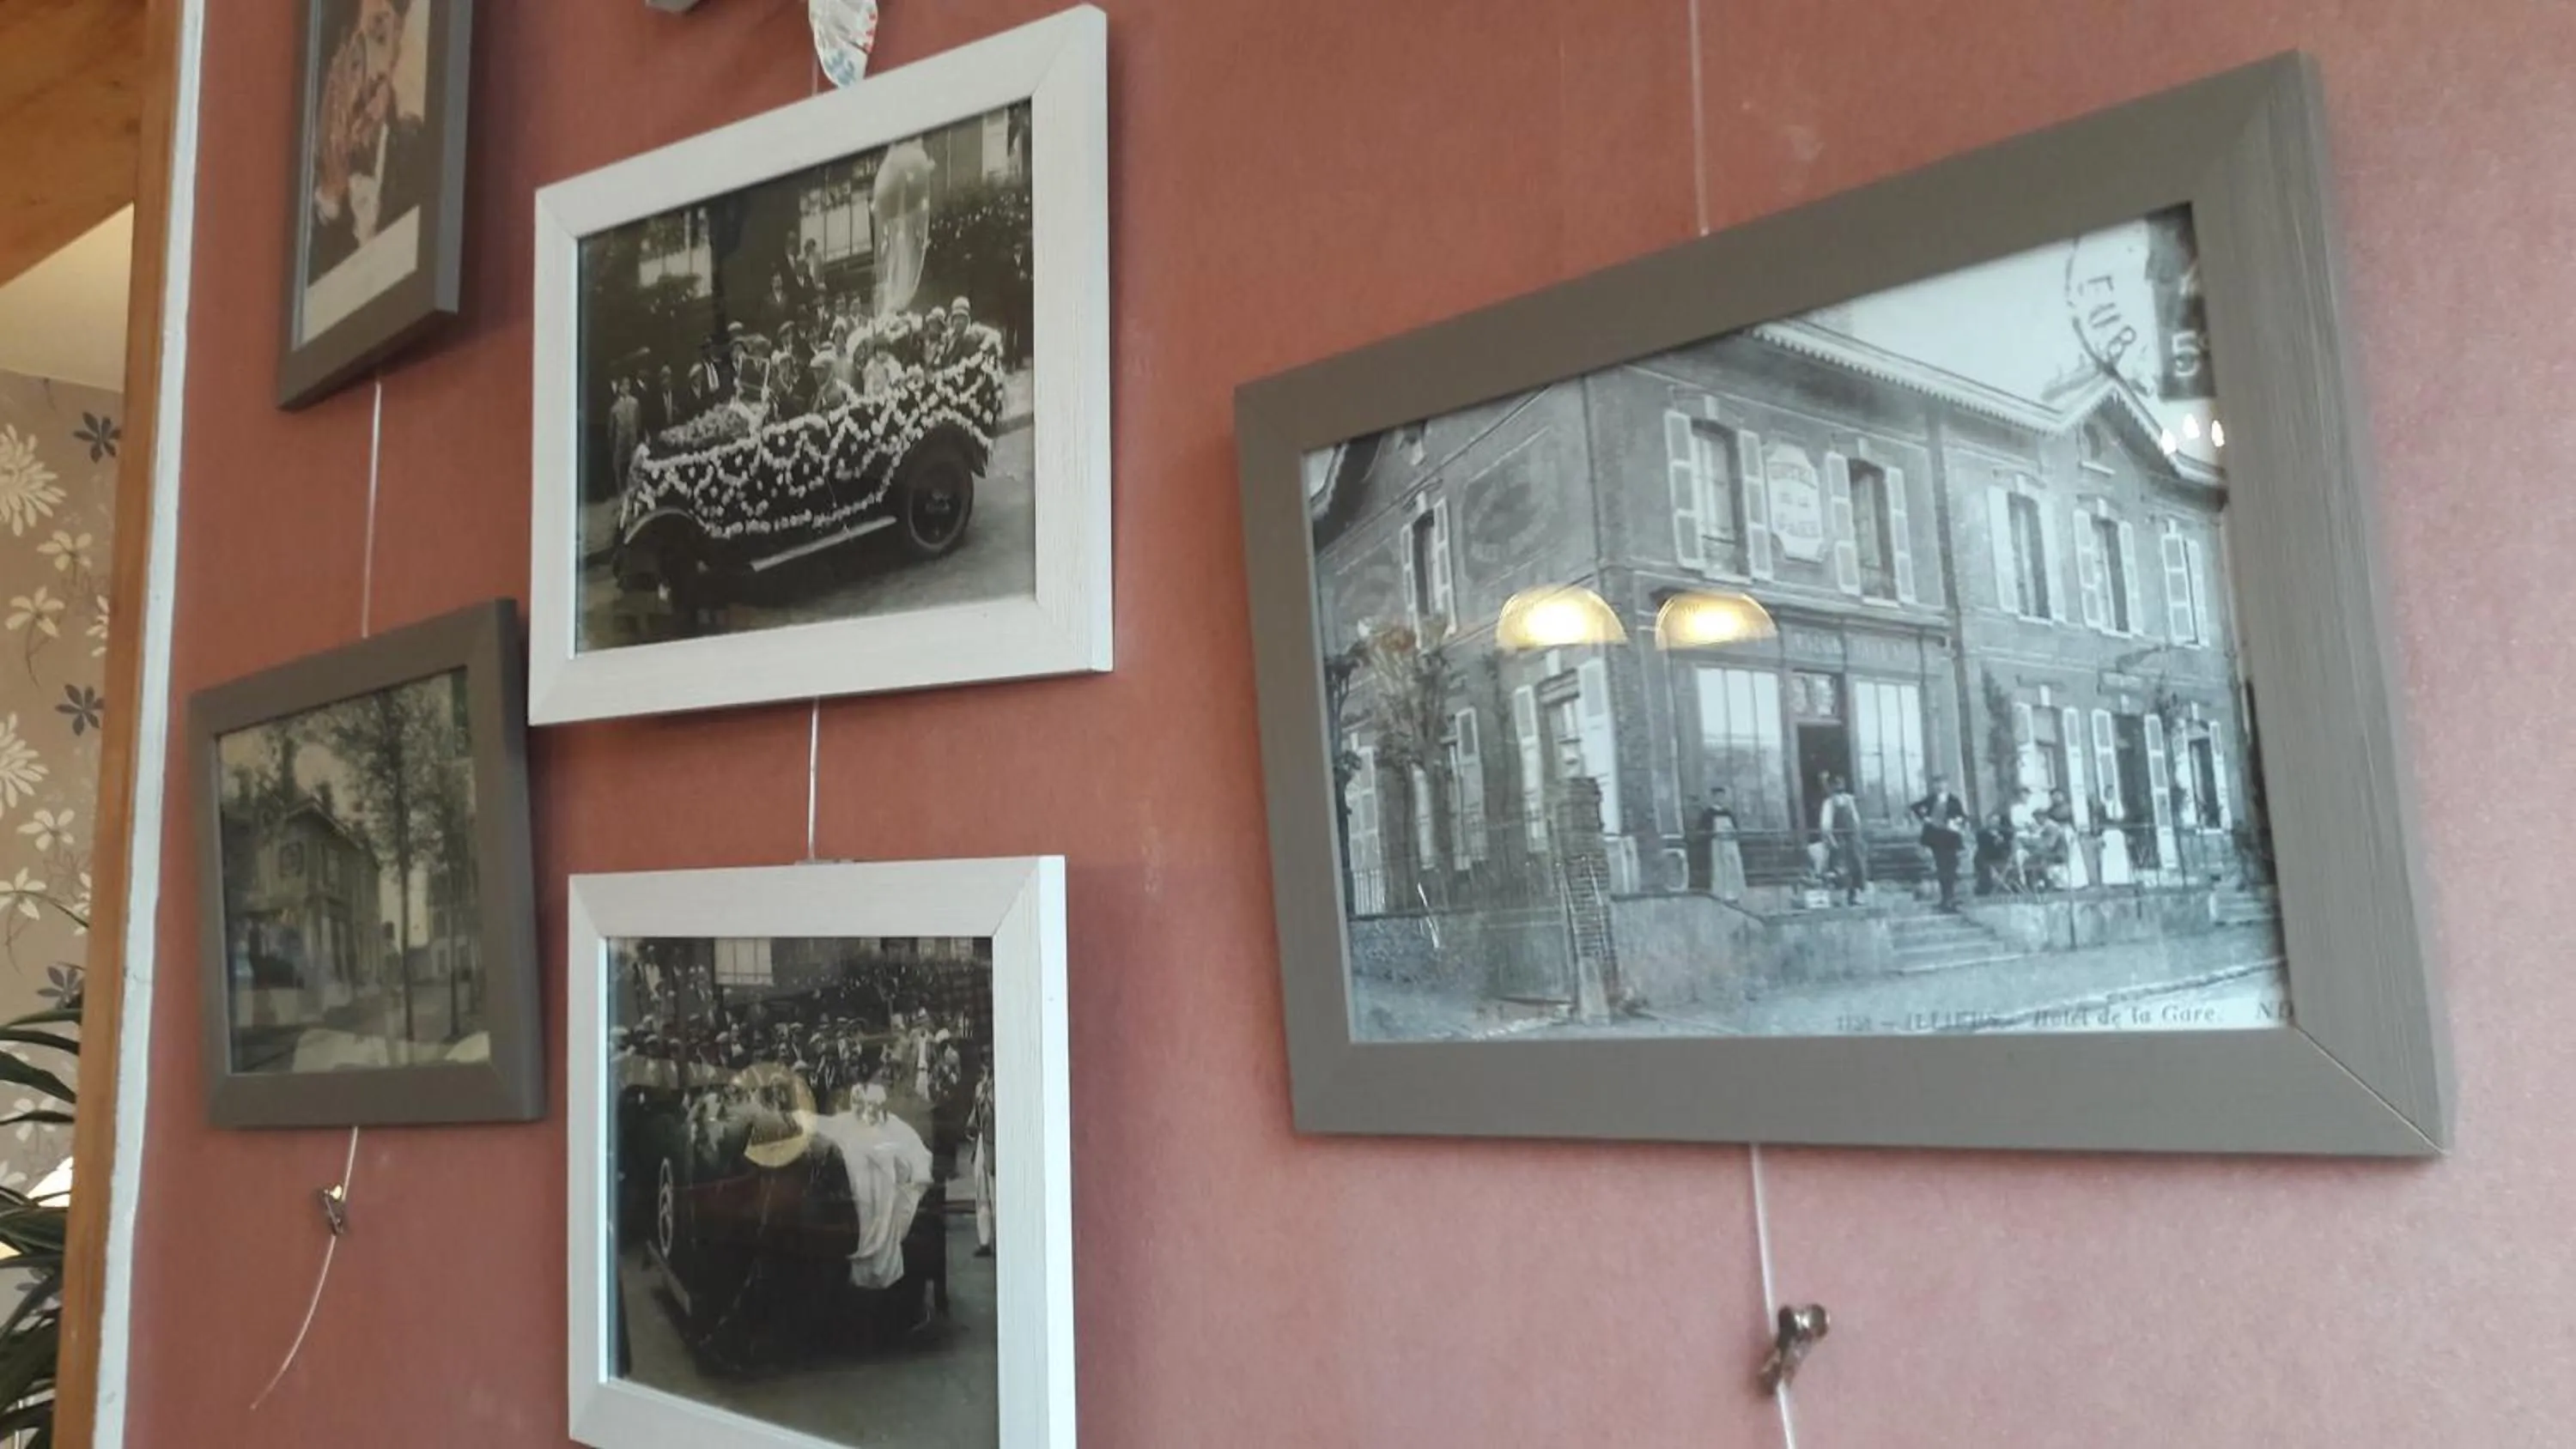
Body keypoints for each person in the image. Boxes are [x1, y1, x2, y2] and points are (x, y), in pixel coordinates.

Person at [1910, 773, 1971, 909]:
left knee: (1952, 866)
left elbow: (1962, 816)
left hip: (1951, 838)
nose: (1939, 786)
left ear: (1947, 785)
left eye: (1942, 783)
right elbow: (1914, 807)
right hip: (1936, 838)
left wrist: (1956, 821)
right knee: (1941, 867)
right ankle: (1945, 898)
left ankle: (1951, 896)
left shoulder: (1953, 800)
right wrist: (1925, 818)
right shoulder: (1930, 800)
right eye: (1937, 783)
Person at [1818, 774, 1867, 906]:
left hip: (1851, 838)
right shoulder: (1829, 803)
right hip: (1838, 839)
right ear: (1833, 786)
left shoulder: (1849, 801)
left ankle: (1855, 895)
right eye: (1837, 783)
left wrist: (1857, 835)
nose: (1840, 786)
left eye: (1842, 783)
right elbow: (1826, 825)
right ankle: (1840, 898)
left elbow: (1856, 820)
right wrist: (1831, 841)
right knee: (1839, 869)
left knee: (1856, 867)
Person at [966, 1062, 995, 1258]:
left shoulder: (1001, 1086)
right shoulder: (980, 1087)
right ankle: (984, 1241)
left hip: (996, 1144)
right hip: (983, 1143)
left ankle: (1003, 1241)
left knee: (996, 1193)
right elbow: (975, 1119)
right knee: (982, 1193)